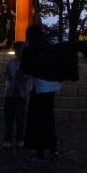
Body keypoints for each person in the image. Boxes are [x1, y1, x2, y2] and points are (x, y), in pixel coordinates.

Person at [23, 25, 61, 162]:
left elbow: (25, 69)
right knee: (49, 117)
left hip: (39, 86)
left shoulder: (30, 50)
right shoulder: (48, 49)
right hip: (51, 86)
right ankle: (52, 147)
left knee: (38, 119)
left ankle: (40, 151)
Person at [2, 41, 30, 149]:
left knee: (20, 118)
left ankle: (19, 138)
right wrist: (7, 75)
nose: (21, 52)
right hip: (9, 93)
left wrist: (21, 75)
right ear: (16, 50)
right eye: (20, 49)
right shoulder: (10, 63)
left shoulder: (27, 64)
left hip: (21, 94)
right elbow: (7, 76)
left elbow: (27, 77)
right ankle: (7, 139)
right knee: (8, 118)